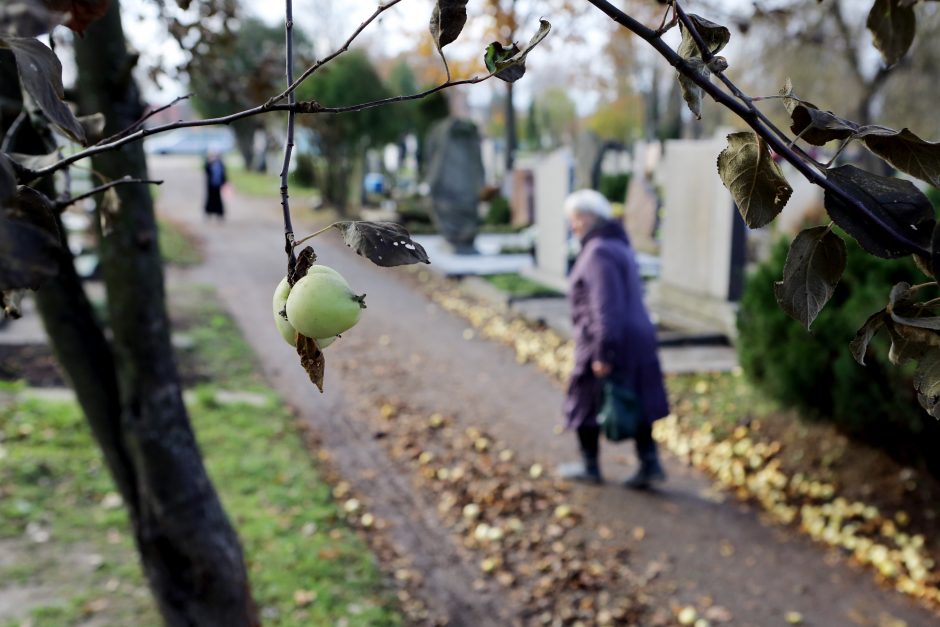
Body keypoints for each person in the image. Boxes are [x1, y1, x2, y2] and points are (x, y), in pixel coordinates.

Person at [559, 189, 670, 489]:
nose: (573, 226)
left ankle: (590, 466)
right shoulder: (616, 245)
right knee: (635, 398)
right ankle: (650, 465)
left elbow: (606, 306)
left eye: (576, 219)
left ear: (591, 217)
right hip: (636, 337)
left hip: (608, 338)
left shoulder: (597, 252)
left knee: (585, 401)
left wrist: (602, 353)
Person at [203, 150, 227, 221]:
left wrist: (224, 182)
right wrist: (209, 161)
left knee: (218, 200)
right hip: (211, 185)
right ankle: (209, 213)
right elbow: (206, 170)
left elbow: (224, 174)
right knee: (210, 199)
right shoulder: (210, 163)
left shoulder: (220, 164)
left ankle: (219, 214)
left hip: (218, 185)